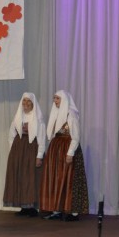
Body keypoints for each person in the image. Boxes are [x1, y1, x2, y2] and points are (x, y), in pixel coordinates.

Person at [40, 90, 89, 221]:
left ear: (64, 100)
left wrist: (70, 153)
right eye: (54, 98)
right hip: (56, 149)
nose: (55, 101)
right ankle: (57, 210)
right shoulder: (56, 113)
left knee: (69, 180)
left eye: (57, 98)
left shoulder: (71, 115)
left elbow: (75, 137)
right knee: (56, 178)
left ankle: (73, 212)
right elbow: (53, 133)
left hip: (67, 148)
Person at [3, 92, 46, 217]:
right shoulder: (18, 117)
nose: (26, 103)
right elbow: (11, 135)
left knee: (31, 177)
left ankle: (32, 207)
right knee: (20, 177)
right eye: (24, 101)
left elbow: (42, 139)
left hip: (32, 149)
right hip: (19, 150)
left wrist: (39, 156)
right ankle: (23, 206)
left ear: (33, 103)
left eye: (28, 101)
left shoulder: (38, 119)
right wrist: (13, 151)